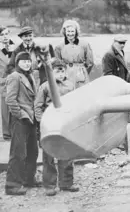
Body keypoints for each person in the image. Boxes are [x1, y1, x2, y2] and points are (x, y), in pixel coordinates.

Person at [34, 58, 78, 196]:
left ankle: (66, 183)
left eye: (62, 70)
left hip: (65, 123)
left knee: (67, 153)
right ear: (51, 73)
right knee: (49, 156)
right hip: (50, 124)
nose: (60, 73)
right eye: (57, 71)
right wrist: (43, 122)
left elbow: (75, 103)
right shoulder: (45, 86)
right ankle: (49, 185)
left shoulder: (70, 85)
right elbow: (38, 106)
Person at [4, 52, 40, 195]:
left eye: (28, 61)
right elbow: (10, 100)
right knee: (18, 152)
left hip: (31, 119)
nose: (27, 64)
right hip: (20, 120)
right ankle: (12, 185)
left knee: (33, 151)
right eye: (23, 61)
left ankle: (28, 179)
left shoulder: (30, 75)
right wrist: (21, 115)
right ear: (17, 63)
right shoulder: (14, 77)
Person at [54, 20, 94, 89]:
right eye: (68, 31)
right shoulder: (59, 47)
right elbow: (57, 64)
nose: (70, 34)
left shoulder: (84, 45)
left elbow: (90, 62)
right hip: (66, 74)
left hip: (81, 74)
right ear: (65, 32)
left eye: (72, 31)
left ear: (76, 32)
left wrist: (83, 72)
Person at [0, 26, 15, 140]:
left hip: (15, 79)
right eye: (2, 35)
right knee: (5, 106)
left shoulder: (15, 48)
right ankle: (6, 133)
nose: (5, 37)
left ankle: (16, 130)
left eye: (6, 34)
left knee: (16, 105)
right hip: (3, 81)